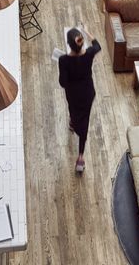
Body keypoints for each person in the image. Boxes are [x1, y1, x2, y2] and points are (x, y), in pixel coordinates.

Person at [58, 26, 101, 173]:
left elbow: (62, 83)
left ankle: (72, 122)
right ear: (81, 43)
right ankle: (80, 156)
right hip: (88, 93)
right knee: (85, 120)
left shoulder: (63, 60)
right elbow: (97, 45)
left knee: (73, 111)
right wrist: (88, 32)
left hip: (73, 94)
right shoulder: (89, 54)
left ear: (69, 44)